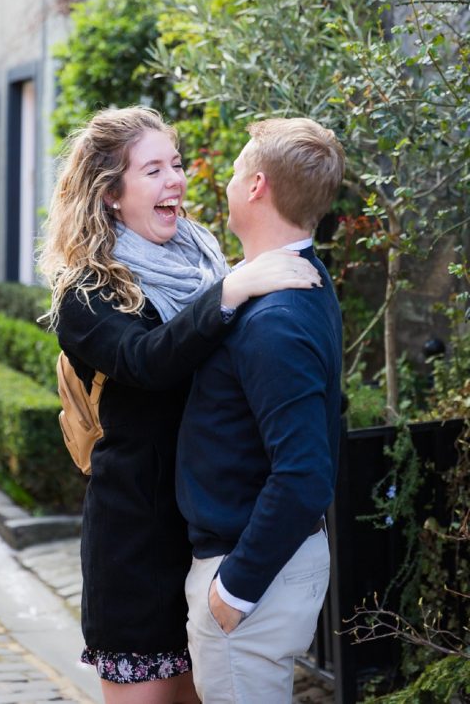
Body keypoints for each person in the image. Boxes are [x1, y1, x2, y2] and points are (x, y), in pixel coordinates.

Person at [38, 107, 322, 704]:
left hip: (213, 534)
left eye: (177, 165)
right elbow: (146, 360)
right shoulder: (85, 293)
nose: (176, 181)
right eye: (153, 171)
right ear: (111, 194)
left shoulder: (204, 255)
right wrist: (232, 289)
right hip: (139, 542)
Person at [176, 118, 344, 702]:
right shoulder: (303, 277)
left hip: (252, 576)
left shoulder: (276, 319)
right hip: (264, 565)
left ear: (256, 187)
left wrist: (233, 591)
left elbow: (303, 474)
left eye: (235, 169)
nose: (225, 182)